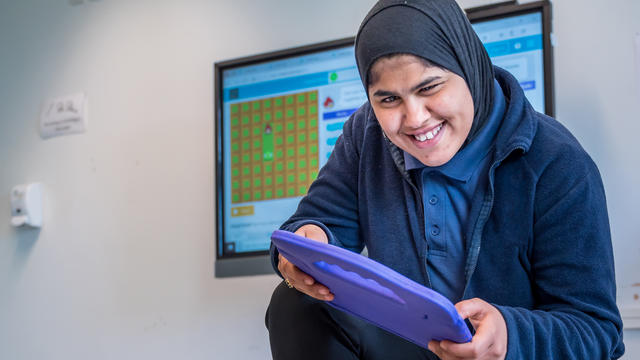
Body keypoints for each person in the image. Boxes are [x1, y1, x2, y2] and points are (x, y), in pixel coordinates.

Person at [265, 0, 625, 359]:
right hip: (411, 346)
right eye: (388, 99)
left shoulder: (557, 163)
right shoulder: (367, 133)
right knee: (294, 303)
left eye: (429, 88)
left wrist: (509, 336)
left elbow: (596, 331)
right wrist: (307, 245)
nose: (415, 118)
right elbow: (318, 222)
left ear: (468, 68)